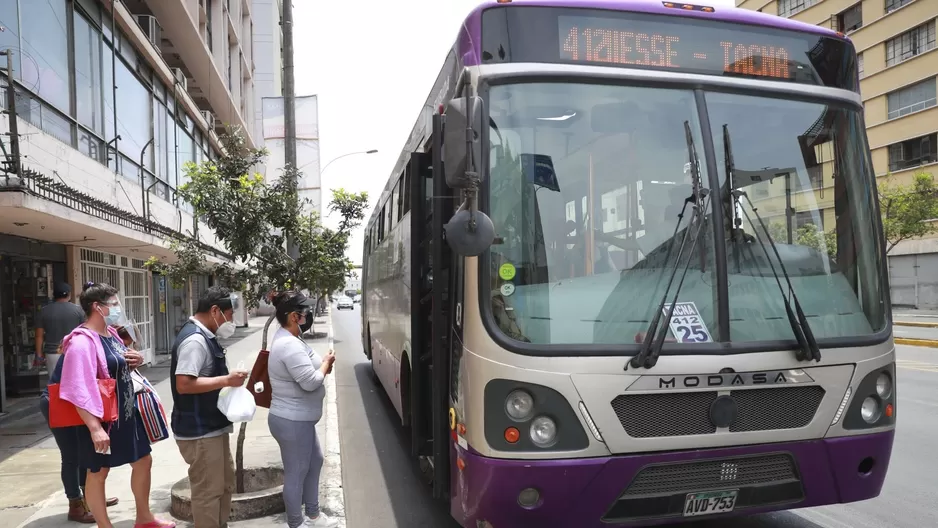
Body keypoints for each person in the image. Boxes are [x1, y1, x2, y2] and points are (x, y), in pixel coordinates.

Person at [58, 282, 174, 528]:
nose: (118, 307)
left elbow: (118, 365)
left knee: (143, 460)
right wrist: (94, 427)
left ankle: (144, 518)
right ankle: (104, 525)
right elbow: (76, 388)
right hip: (102, 420)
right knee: (98, 472)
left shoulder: (110, 334)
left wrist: (136, 358)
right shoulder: (81, 343)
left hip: (126, 415)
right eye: (113, 303)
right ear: (97, 307)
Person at [170, 286, 248, 528]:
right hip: (200, 432)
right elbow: (184, 383)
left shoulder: (205, 337)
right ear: (215, 311)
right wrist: (226, 380)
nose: (231, 321)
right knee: (207, 492)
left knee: (223, 485)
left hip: (212, 428)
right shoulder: (195, 341)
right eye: (229, 314)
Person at [268, 291, 337, 528]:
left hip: (300, 420)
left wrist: (323, 363)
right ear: (294, 316)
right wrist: (326, 364)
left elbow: (310, 367)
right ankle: (297, 523)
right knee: (296, 472)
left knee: (314, 461)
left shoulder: (293, 338)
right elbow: (309, 382)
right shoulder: (288, 344)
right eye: (305, 312)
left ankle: (314, 515)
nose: (308, 315)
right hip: (291, 420)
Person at [35, 282, 86, 374]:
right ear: (69, 294)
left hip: (52, 353)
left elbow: (39, 336)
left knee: (55, 384)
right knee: (73, 381)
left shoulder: (43, 311)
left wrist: (39, 355)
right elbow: (84, 332)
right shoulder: (79, 310)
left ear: (54, 295)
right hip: (73, 351)